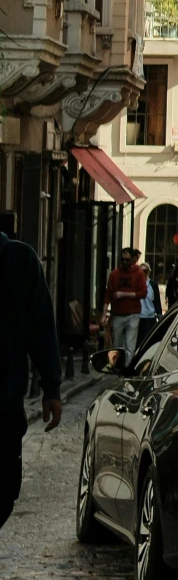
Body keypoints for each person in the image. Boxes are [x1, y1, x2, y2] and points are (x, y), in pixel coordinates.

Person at [1, 224, 62, 530]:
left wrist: (51, 387)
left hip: (5, 398)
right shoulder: (21, 259)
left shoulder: (19, 260)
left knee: (5, 491)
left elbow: (41, 327)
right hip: (7, 397)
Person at [102, 246, 154, 366]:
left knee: (130, 346)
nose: (124, 262)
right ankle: (117, 367)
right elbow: (108, 294)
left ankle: (126, 368)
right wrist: (104, 314)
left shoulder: (139, 274)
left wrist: (124, 294)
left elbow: (143, 293)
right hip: (118, 314)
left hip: (133, 314)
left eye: (127, 260)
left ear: (132, 259)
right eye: (123, 259)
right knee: (117, 345)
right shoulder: (115, 274)